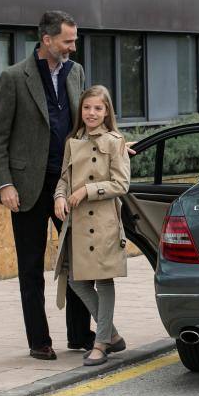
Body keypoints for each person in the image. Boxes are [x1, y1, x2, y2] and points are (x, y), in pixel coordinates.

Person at [0, 11, 94, 360]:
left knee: (79, 260)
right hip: (28, 187)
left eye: (74, 40)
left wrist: (115, 144)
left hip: (69, 182)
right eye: (68, 40)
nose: (73, 47)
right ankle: (39, 340)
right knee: (31, 267)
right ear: (47, 40)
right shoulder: (13, 78)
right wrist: (5, 184)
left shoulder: (75, 72)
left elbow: (88, 122)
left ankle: (79, 334)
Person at [54, 85, 130, 366]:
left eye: (98, 108)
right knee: (76, 281)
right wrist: (60, 196)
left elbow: (121, 184)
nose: (91, 113)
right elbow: (64, 178)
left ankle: (101, 342)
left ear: (107, 111)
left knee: (103, 278)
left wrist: (87, 190)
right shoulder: (73, 140)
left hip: (104, 222)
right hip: (78, 223)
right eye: (87, 108)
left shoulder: (115, 141)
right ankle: (111, 333)